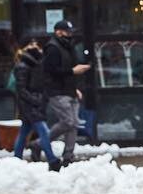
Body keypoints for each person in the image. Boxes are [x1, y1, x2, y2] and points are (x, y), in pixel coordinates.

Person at [42, 19, 91, 167]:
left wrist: (75, 87)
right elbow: (51, 71)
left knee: (74, 124)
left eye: (70, 32)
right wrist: (73, 71)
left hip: (69, 90)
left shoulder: (68, 47)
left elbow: (69, 70)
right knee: (68, 122)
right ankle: (40, 143)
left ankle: (68, 155)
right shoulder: (52, 48)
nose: (69, 34)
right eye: (67, 32)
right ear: (58, 32)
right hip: (57, 91)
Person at [10, 37, 59, 168]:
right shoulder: (23, 66)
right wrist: (36, 100)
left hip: (33, 103)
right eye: (31, 44)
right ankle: (52, 159)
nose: (35, 47)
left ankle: (16, 159)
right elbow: (22, 89)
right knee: (43, 132)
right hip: (30, 105)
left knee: (24, 132)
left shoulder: (36, 63)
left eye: (37, 44)